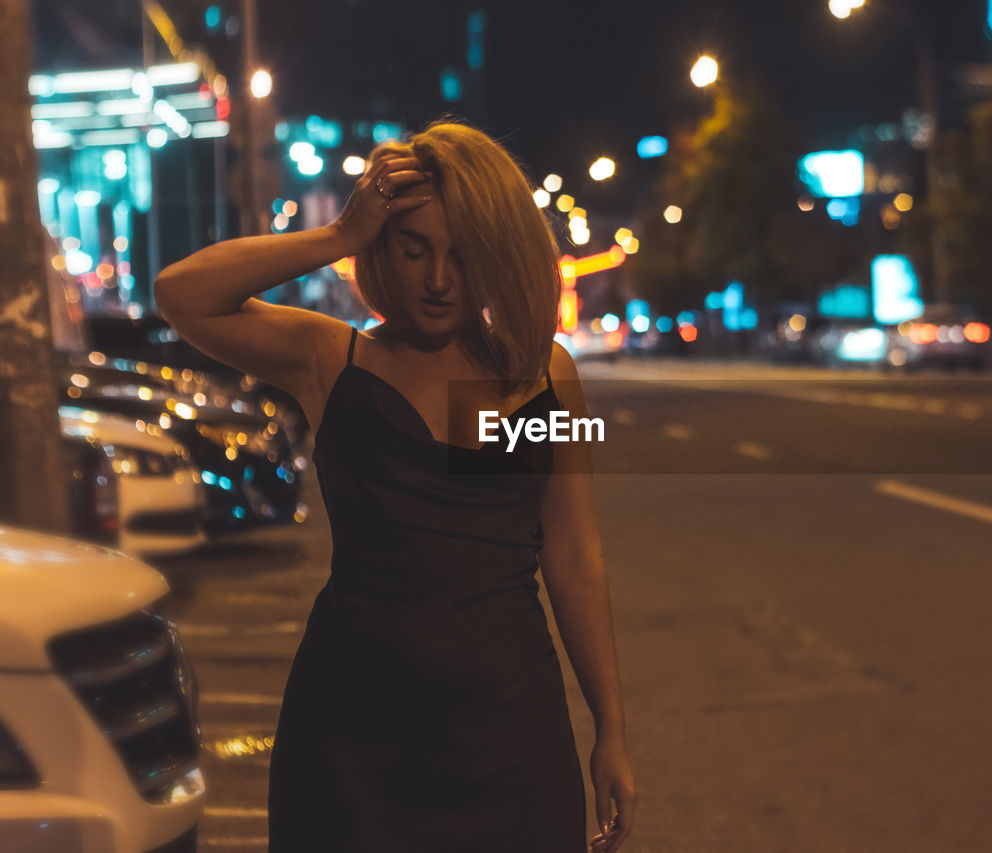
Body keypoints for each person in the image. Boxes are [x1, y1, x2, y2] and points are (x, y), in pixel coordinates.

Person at [154, 119, 636, 853]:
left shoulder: (543, 377)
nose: (438, 279)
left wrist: (611, 729)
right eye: (415, 250)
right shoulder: (332, 359)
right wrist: (335, 236)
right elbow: (182, 294)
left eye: (460, 255)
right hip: (352, 738)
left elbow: (574, 556)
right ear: (383, 249)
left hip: (509, 732)